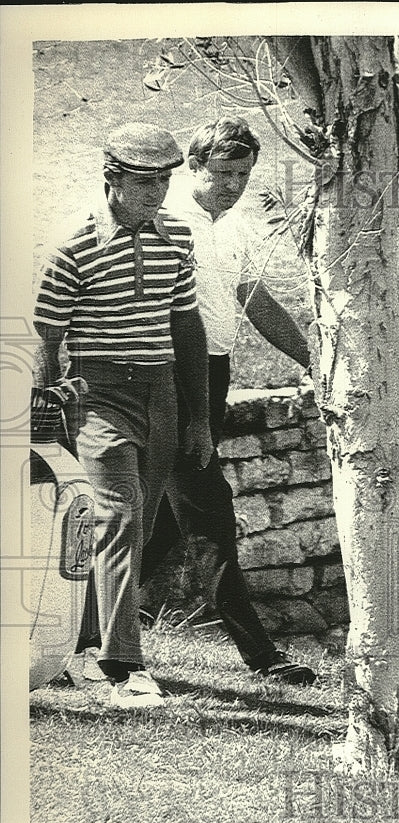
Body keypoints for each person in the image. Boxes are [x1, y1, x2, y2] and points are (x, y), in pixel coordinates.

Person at [33, 122, 213, 708]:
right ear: (111, 180)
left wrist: (199, 418)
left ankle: (85, 646)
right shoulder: (74, 246)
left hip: (160, 391)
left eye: (164, 180)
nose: (157, 192)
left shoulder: (178, 238)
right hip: (96, 391)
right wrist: (45, 408)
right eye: (143, 182)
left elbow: (186, 326)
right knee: (120, 516)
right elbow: (46, 335)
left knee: (140, 524)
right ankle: (124, 667)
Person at [138, 115, 316, 685]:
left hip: (214, 372)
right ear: (192, 166)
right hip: (168, 376)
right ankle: (260, 653)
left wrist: (315, 359)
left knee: (167, 522)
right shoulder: (165, 221)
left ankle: (85, 624)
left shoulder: (237, 226)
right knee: (210, 510)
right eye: (223, 172)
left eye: (243, 173)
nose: (235, 184)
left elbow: (256, 300)